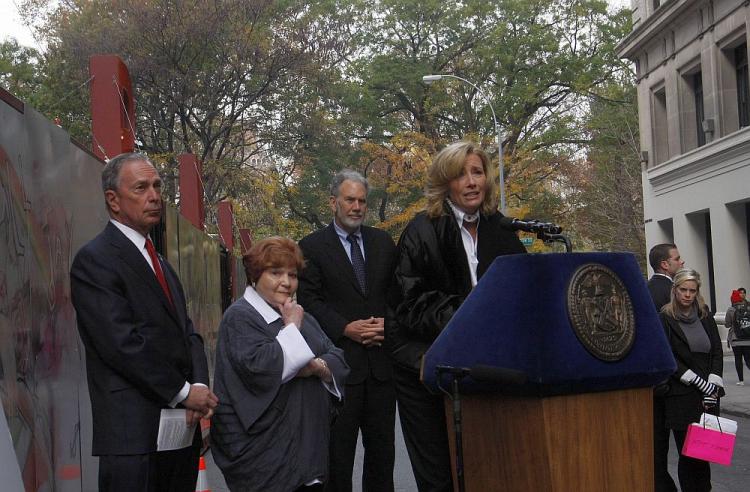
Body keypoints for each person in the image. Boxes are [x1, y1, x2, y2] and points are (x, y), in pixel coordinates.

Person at [70, 152, 218, 492]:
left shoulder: (161, 264)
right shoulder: (96, 261)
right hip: (132, 439)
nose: (154, 196)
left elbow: (187, 333)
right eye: (141, 188)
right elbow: (121, 344)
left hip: (178, 434)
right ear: (113, 200)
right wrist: (183, 393)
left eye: (157, 186)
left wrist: (198, 386)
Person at [389, 140, 526, 491]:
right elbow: (410, 303)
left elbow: (522, 292)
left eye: (477, 172)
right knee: (440, 478)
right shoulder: (421, 231)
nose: (471, 182)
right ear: (445, 183)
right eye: (460, 174)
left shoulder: (502, 230)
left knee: (489, 470)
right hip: (426, 369)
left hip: (483, 370)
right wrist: (471, 313)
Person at [211, 237, 349, 491]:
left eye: (292, 275)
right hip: (265, 458)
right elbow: (261, 366)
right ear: (255, 275)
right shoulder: (241, 316)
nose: (286, 282)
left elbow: (337, 358)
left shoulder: (301, 316)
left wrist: (317, 367)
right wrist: (292, 329)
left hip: (309, 453)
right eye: (276, 273)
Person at [297, 170, 397, 492]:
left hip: (382, 371)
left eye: (362, 201)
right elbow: (309, 302)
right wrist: (345, 328)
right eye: (349, 200)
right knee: (337, 459)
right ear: (333, 203)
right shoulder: (311, 247)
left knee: (382, 459)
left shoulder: (383, 243)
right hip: (339, 370)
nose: (356, 207)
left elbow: (398, 295)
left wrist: (388, 324)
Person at [659, 268, 724, 492]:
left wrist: (713, 383)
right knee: (687, 454)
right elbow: (667, 356)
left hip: (708, 397)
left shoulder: (705, 315)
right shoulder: (665, 317)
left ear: (697, 292)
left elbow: (716, 349)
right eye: (683, 290)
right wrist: (697, 381)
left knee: (703, 454)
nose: (687, 295)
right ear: (675, 290)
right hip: (681, 396)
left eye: (692, 291)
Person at [647, 243, 684, 492]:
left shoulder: (644, 290)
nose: (681, 262)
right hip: (679, 383)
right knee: (690, 450)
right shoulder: (674, 293)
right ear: (665, 264)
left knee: (658, 449)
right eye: (677, 258)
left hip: (654, 384)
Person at [647, 243, 684, 310]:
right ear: (664, 265)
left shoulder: (646, 288)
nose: (682, 262)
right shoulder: (674, 291)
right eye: (677, 259)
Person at [725, 289, 750, 385]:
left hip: (736, 339)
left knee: (738, 359)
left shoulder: (731, 310)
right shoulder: (748, 307)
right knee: (748, 359)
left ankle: (741, 380)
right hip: (747, 338)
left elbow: (727, 324)